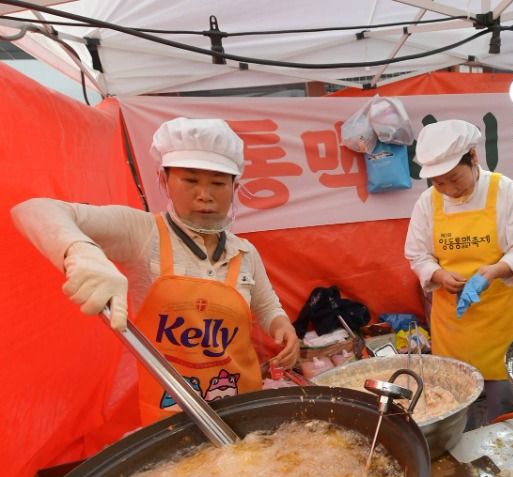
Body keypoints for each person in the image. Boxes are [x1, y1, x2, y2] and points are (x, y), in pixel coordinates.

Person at [12, 117, 300, 424]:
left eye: (217, 182)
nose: (205, 194)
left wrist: (282, 327)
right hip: (172, 413)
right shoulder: (141, 233)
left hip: (242, 402)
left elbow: (267, 307)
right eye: (190, 180)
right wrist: (79, 251)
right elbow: (33, 210)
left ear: (234, 188)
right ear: (164, 180)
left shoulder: (244, 252)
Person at [404, 120, 513, 380]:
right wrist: (439, 275)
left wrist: (494, 271)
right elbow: (418, 254)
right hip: (452, 325)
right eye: (439, 183)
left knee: (503, 400)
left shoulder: (505, 191)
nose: (450, 190)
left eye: (455, 178)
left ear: (474, 157)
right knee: (454, 391)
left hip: (499, 320)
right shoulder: (427, 203)